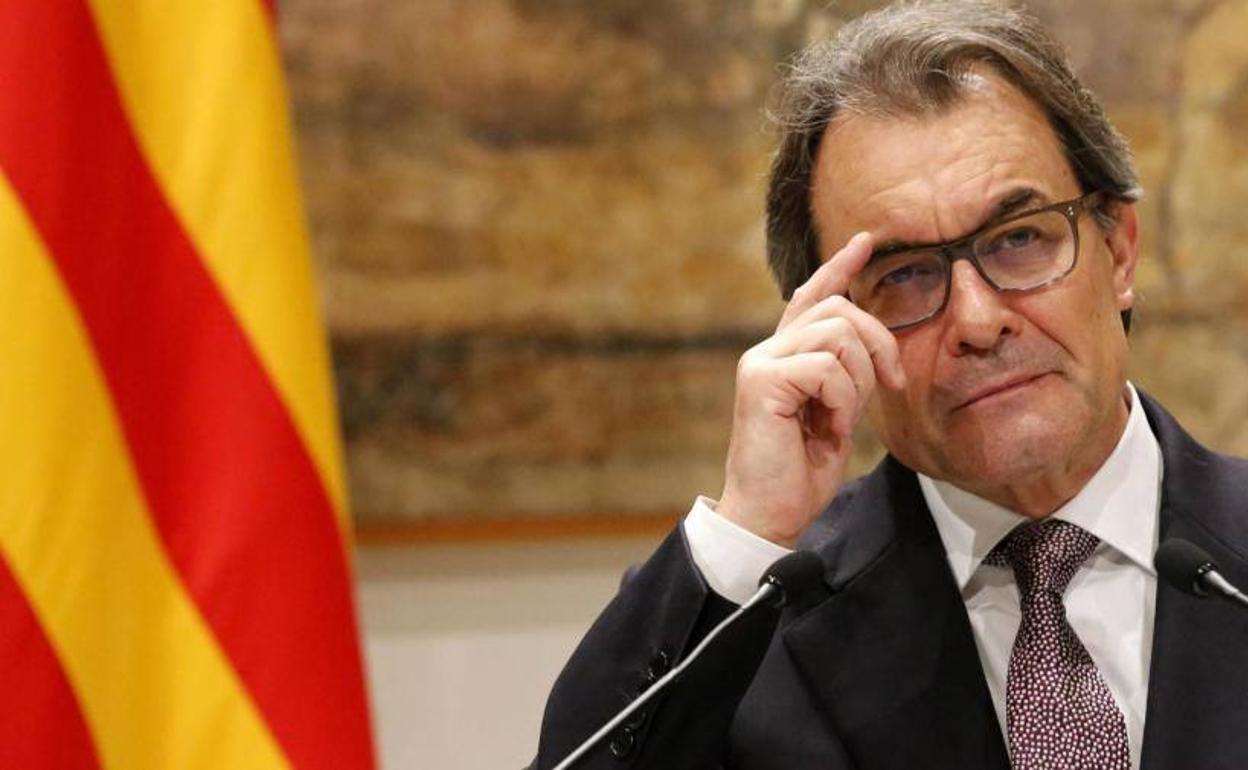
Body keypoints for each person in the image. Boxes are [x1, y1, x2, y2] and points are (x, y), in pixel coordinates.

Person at [532, 2, 1248, 768]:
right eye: (904, 276)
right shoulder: (758, 624)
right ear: (829, 326)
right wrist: (748, 530)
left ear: (1120, 251)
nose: (978, 321)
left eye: (1019, 238)